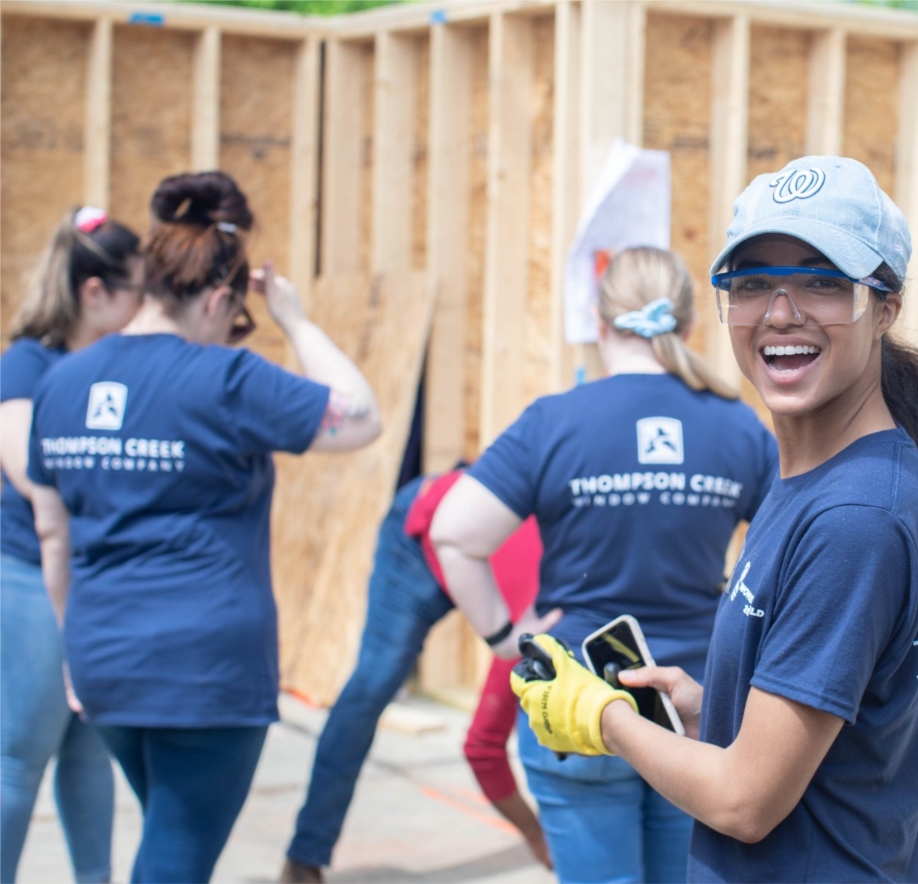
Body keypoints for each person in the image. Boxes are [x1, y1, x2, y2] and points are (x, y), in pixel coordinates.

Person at [511, 156, 918, 882]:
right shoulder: (820, 480)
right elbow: (915, 714)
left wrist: (602, 719)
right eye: (753, 282)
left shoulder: (854, 518)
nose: (782, 312)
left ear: (885, 306)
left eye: (823, 282)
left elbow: (744, 804)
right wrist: (712, 713)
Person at [25, 171, 382, 884]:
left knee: (170, 834)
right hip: (205, 670)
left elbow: (53, 534)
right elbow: (361, 416)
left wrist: (73, 650)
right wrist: (296, 319)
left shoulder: (61, 382)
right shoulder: (226, 379)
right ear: (220, 298)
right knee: (174, 861)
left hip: (103, 658)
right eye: (233, 314)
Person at [431, 246, 779, 883]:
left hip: (580, 700)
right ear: (690, 325)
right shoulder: (739, 427)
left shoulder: (556, 422)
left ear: (598, 320)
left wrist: (507, 641)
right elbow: (790, 558)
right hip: (696, 707)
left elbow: (452, 535)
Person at [280, 467, 550, 883]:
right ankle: (304, 859)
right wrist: (535, 834)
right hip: (424, 533)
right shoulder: (534, 627)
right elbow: (483, 747)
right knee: (373, 685)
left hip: (489, 552)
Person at [0, 207, 143, 884]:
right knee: (19, 756)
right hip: (30, 574)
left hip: (93, 580)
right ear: (96, 293)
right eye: (136, 289)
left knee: (89, 756)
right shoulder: (28, 363)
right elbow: (32, 472)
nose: (146, 304)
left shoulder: (111, 367)